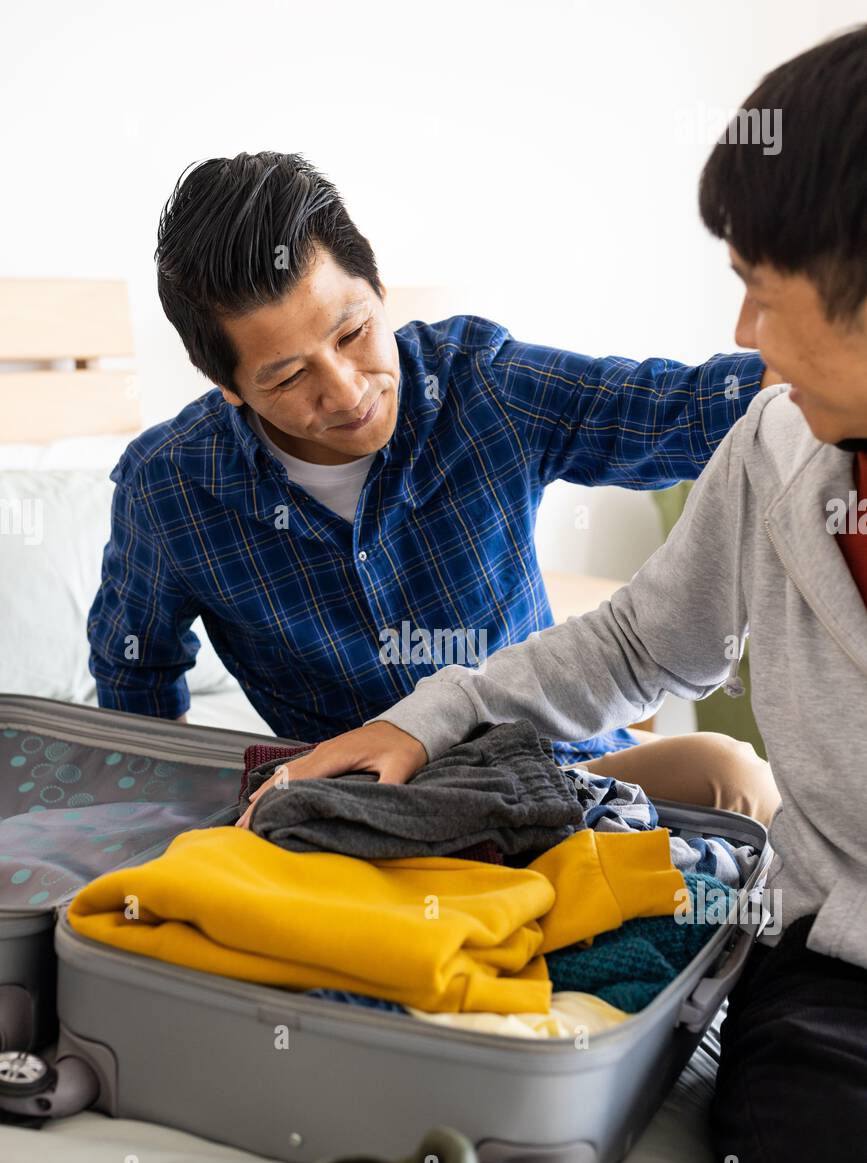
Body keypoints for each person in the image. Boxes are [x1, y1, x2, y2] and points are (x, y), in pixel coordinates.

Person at [244, 27, 867, 1163]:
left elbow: (642, 406)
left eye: (764, 284)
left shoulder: (490, 382)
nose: (743, 329)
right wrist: (428, 719)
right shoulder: (776, 441)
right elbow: (643, 640)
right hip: (833, 974)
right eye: (283, 373)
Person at [87, 151, 779, 819]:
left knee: (732, 776)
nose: (347, 390)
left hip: (558, 776)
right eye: (290, 378)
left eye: (354, 332)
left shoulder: (481, 384)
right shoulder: (167, 486)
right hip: (361, 816)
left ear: (379, 291)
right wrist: (157, 831)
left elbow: (681, 411)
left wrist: (826, 356)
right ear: (229, 388)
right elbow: (134, 681)